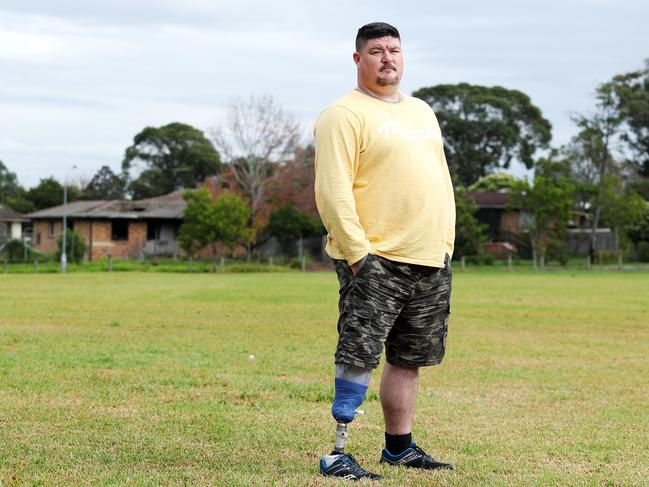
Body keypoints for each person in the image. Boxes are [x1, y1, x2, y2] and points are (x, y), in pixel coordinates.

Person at [314, 22, 456, 480]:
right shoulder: (343, 114)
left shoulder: (422, 112)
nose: (387, 58)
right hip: (375, 260)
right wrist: (358, 256)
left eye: (394, 50)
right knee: (358, 354)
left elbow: (440, 179)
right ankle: (338, 453)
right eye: (376, 51)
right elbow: (332, 191)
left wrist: (446, 243)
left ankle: (399, 447)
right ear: (358, 59)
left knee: (409, 358)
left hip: (430, 259)